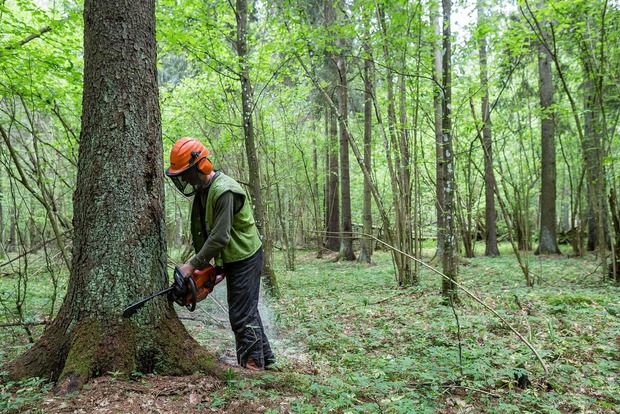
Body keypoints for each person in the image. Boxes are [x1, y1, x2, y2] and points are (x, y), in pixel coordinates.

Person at [165, 137, 275, 371]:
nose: (184, 179)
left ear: (201, 166)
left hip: (245, 255)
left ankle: (253, 367)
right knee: (246, 310)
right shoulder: (204, 192)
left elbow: (220, 236)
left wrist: (191, 266)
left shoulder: (224, 191)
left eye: (186, 173)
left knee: (241, 315)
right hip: (232, 257)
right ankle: (267, 360)